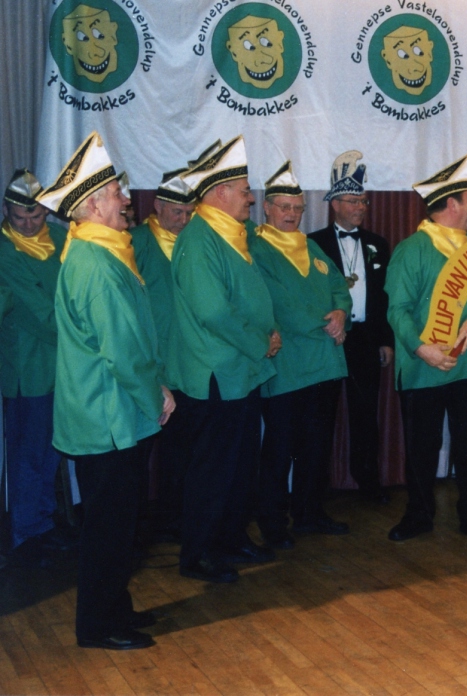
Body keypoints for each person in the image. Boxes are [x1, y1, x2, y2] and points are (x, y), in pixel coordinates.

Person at [38, 132, 174, 650]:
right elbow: (122, 351)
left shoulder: (100, 251)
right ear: (93, 205)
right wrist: (157, 396)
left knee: (117, 522)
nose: (126, 200)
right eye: (117, 192)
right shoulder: (97, 262)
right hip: (108, 418)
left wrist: (153, 384)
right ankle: (97, 626)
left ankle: (114, 607)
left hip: (111, 414)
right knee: (109, 527)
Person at [385, 154, 467, 543]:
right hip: (425, 365)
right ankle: (419, 514)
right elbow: (397, 310)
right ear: (453, 204)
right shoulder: (412, 249)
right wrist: (421, 348)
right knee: (422, 448)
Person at [172, 136, 279, 583]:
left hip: (241, 372)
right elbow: (213, 311)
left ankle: (231, 538)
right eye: (245, 190)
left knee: (239, 464)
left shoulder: (229, 234)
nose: (251, 198)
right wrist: (260, 342)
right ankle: (199, 554)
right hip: (217, 373)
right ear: (220, 193)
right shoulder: (200, 239)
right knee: (213, 469)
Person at [252, 162, 353, 549]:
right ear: (266, 208)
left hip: (325, 364)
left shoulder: (310, 245)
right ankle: (272, 522)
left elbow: (339, 287)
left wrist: (341, 312)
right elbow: (278, 303)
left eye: (297, 208)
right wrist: (325, 323)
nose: (291, 214)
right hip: (287, 366)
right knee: (280, 449)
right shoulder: (257, 249)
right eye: (284, 207)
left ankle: (310, 512)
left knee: (317, 446)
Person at [308, 151, 393, 504]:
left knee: (365, 414)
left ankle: (368, 483)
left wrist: (386, 340)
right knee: (321, 414)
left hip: (366, 339)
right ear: (335, 204)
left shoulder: (378, 244)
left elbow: (385, 297)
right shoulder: (313, 243)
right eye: (354, 201)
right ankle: (316, 489)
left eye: (364, 201)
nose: (361, 207)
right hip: (328, 339)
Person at [0, 170, 68, 567]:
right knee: (28, 454)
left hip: (62, 363)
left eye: (36, 216)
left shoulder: (59, 238)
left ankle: (43, 523)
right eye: (19, 217)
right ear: (6, 210)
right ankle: (27, 533)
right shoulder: (5, 250)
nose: (28, 224)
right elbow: (39, 312)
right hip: (28, 365)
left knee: (51, 449)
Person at [130, 167, 195, 542]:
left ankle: (174, 518)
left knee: (180, 448)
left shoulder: (195, 242)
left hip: (185, 364)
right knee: (140, 450)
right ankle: (136, 528)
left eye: (189, 213)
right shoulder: (137, 241)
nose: (183, 220)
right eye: (176, 212)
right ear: (157, 206)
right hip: (150, 365)